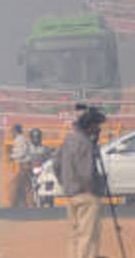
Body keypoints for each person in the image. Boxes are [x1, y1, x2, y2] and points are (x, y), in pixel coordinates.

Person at [58, 107, 105, 258]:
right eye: (97, 125)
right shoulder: (85, 143)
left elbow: (56, 164)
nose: (98, 129)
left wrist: (65, 183)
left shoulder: (68, 141)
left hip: (71, 193)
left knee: (75, 235)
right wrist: (92, 189)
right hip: (86, 195)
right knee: (88, 235)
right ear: (90, 125)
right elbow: (87, 173)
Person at [9, 124, 31, 207]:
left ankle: (16, 204)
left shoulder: (20, 139)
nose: (11, 134)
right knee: (22, 186)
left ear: (15, 131)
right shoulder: (20, 139)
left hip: (23, 166)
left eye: (12, 132)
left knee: (16, 185)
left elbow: (21, 153)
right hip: (22, 166)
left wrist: (12, 157)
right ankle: (23, 204)